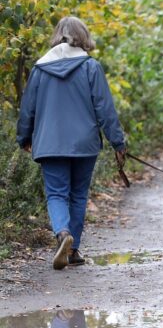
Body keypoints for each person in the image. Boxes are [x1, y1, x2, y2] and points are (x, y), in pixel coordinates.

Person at [16, 17, 126, 270]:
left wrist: (25, 137)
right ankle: (73, 249)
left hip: (50, 143)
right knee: (78, 194)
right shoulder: (91, 67)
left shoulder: (39, 69)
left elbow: (27, 110)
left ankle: (63, 234)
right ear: (83, 37)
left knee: (56, 193)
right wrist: (118, 143)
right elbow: (105, 109)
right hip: (84, 143)